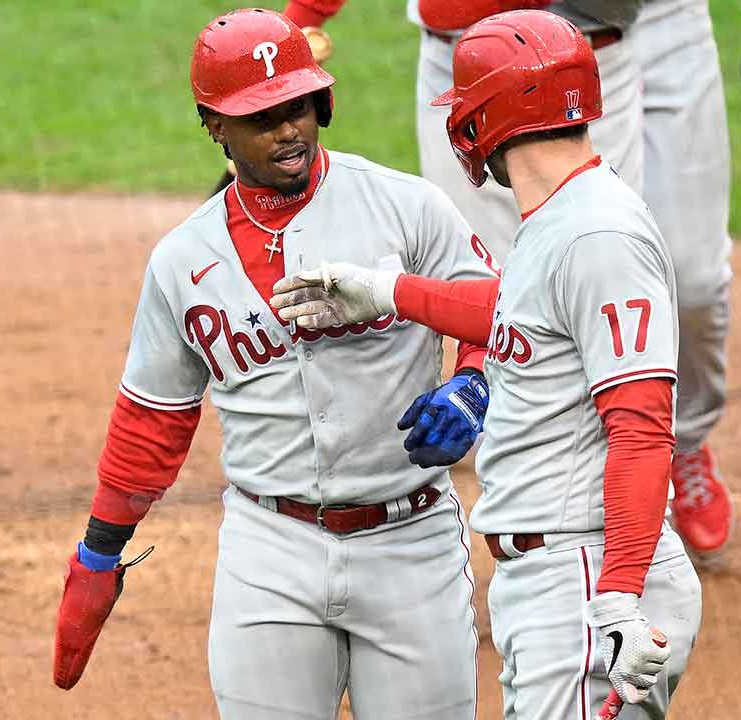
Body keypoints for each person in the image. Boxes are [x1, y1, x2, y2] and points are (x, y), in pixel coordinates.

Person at [51, 10, 498, 719]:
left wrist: (473, 387)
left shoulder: (406, 206)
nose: (287, 129)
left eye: (296, 107)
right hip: (270, 556)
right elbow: (151, 424)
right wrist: (100, 552)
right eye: (260, 116)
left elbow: (492, 313)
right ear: (214, 127)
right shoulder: (182, 261)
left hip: (410, 543)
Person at [271, 10, 702, 717]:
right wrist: (385, 291)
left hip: (589, 580)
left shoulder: (597, 234)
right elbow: (520, 315)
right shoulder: (563, 214)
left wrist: (619, 596)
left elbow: (642, 431)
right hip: (561, 577)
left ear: (488, 118)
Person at [279, 0, 741, 564]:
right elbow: (499, 306)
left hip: (613, 27)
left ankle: (676, 451)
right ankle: (548, 534)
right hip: (477, 41)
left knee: (676, 282)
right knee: (513, 299)